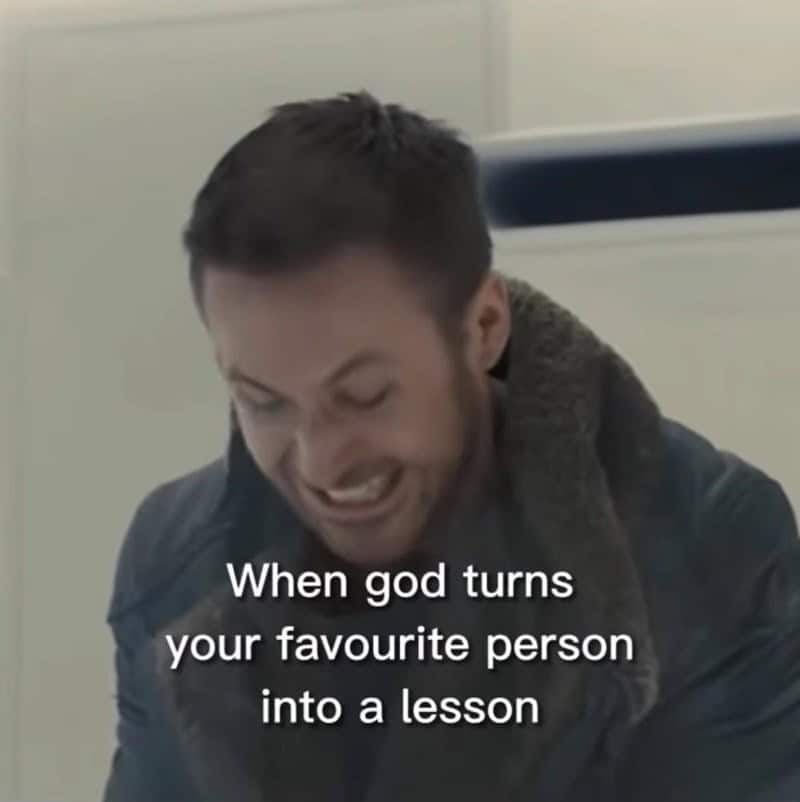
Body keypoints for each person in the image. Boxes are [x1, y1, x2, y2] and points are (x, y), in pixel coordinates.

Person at [102, 91, 800, 802]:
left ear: (484, 327)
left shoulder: (708, 542)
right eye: (263, 401)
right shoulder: (173, 566)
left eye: (365, 394)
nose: (319, 461)